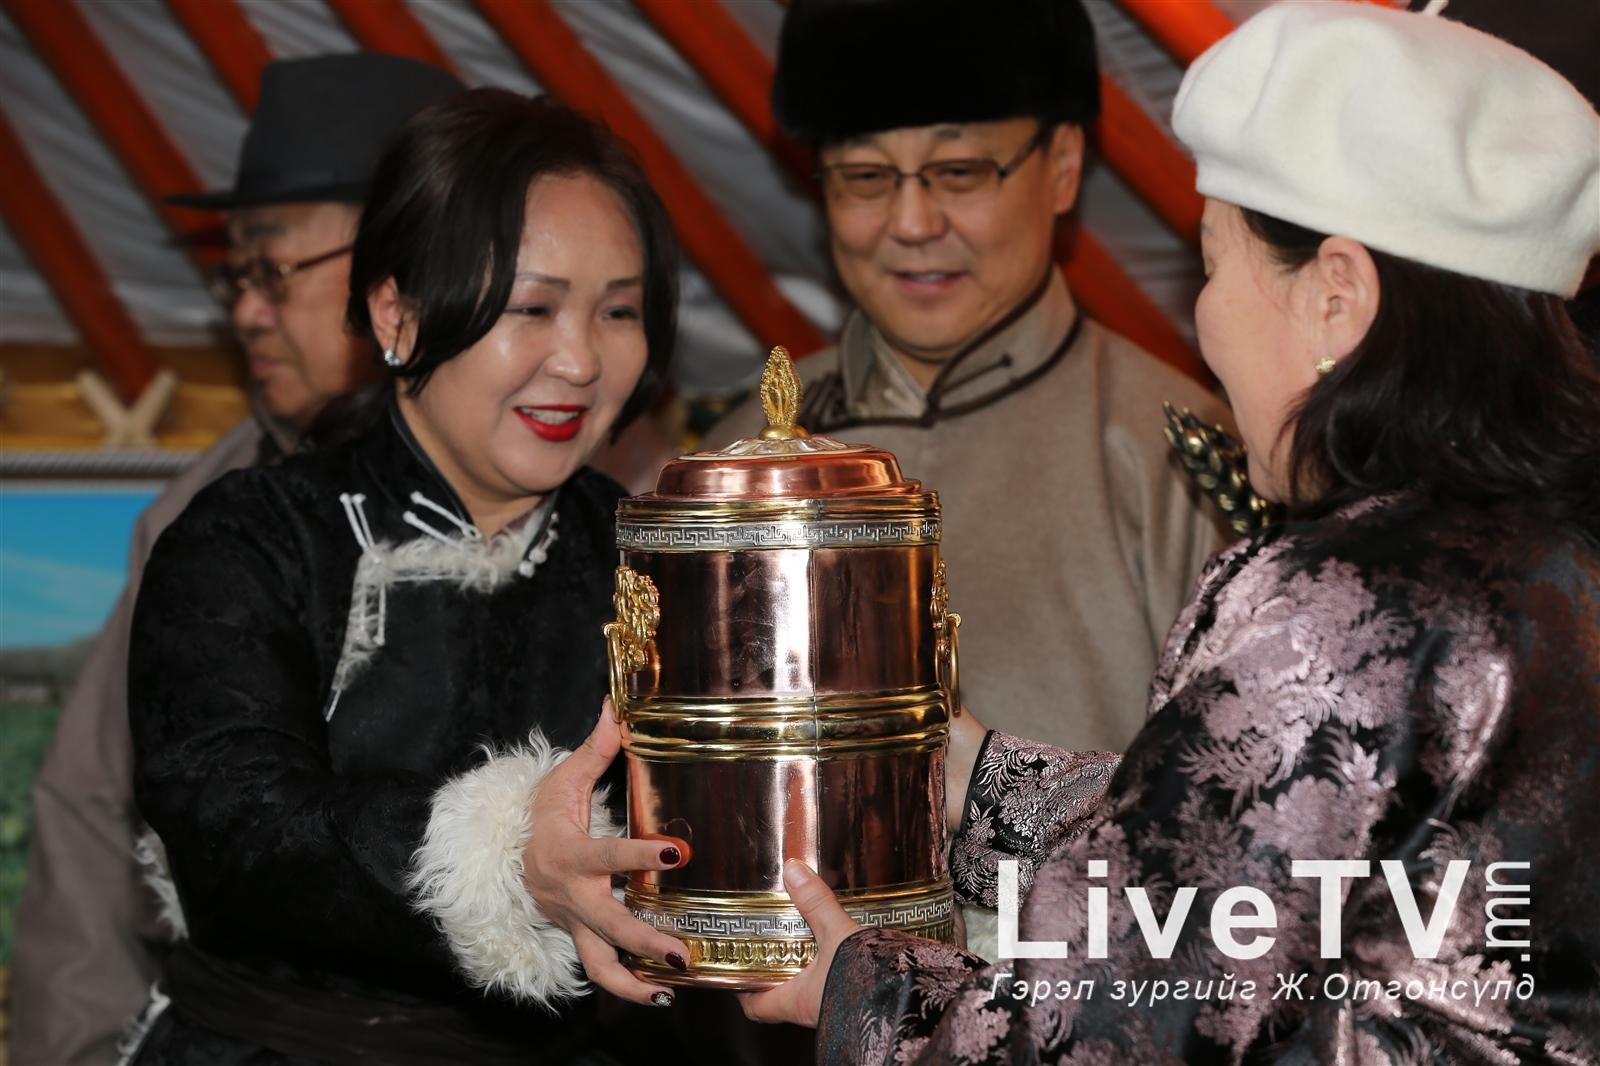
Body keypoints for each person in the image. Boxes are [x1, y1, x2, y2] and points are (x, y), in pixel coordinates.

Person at [738, 5, 1600, 1062]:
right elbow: (1258, 850)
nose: (1204, 316)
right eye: (863, 176)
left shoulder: (1345, 604)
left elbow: (1130, 1018)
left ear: (1336, 298)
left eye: (1212, 265)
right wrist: (970, 777)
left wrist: (863, 990)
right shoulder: (1546, 563)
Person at [123, 89, 691, 1064]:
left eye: (620, 311)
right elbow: (235, 820)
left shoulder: (659, 553)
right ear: (398, 310)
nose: (583, 358)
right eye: (533, 306)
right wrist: (503, 857)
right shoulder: (251, 538)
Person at [10, 53, 463, 1066]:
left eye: (274, 271)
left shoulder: (572, 500)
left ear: (406, 272)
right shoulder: (197, 513)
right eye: (237, 274)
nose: (245, 310)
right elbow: (91, 812)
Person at [705, 0, 1232, 756]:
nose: (913, 223)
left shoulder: (1178, 453)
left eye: (959, 172)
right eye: (864, 176)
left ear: (1062, 167)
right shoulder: (734, 462)